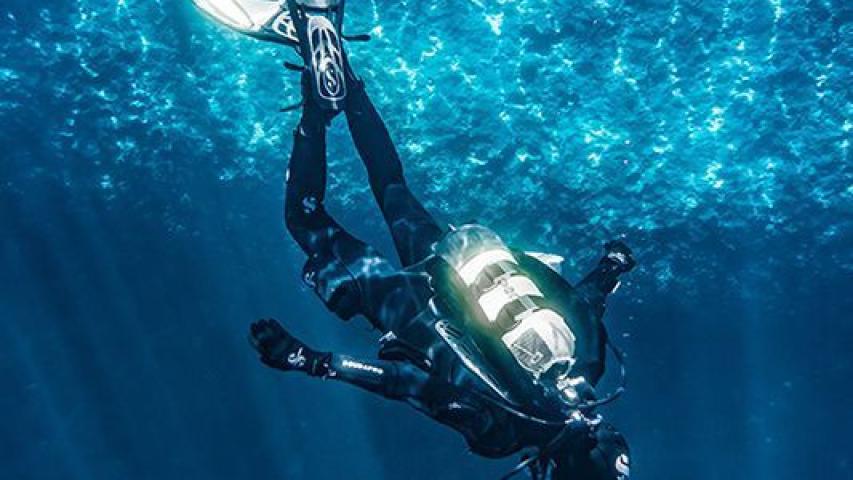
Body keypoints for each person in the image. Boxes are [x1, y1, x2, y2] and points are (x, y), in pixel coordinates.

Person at [195, 1, 634, 478]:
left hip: (455, 269)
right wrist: (313, 361)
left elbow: (586, 302)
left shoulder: (590, 367)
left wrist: (612, 264)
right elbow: (403, 382)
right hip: (409, 310)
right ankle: (314, 109)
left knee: (391, 184)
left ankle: (335, 64)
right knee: (305, 220)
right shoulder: (502, 432)